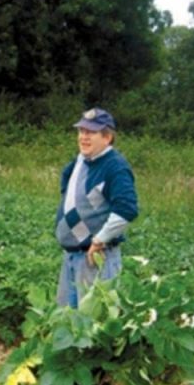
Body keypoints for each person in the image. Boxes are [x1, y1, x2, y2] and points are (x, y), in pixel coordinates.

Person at [55, 107, 139, 308]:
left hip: (95, 258)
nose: (83, 137)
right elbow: (67, 185)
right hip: (72, 255)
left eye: (91, 132)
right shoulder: (82, 160)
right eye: (81, 131)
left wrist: (100, 239)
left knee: (92, 325)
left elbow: (126, 209)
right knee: (65, 321)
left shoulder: (115, 167)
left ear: (107, 137)